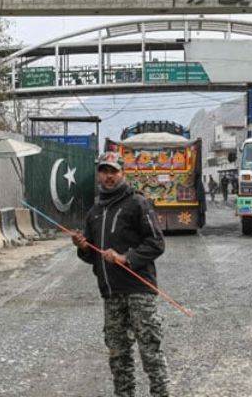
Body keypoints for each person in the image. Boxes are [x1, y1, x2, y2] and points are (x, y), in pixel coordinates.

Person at [71, 151, 169, 397]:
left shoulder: (137, 203)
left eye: (113, 171)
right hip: (111, 294)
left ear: (122, 173)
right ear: (98, 175)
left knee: (150, 352)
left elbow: (156, 243)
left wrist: (127, 258)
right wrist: (83, 247)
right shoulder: (95, 211)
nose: (109, 176)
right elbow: (92, 254)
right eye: (104, 171)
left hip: (139, 290)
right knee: (118, 355)